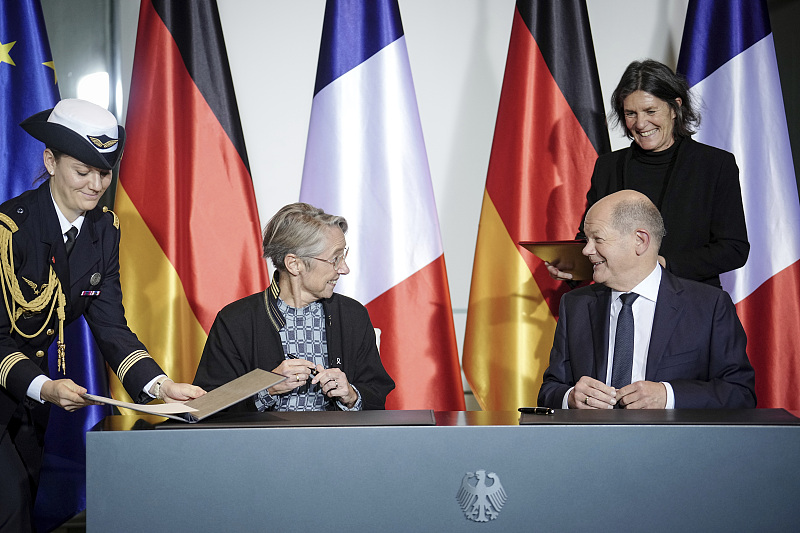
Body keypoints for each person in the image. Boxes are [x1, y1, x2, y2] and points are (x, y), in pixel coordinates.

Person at [0, 99, 205, 531]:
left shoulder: (103, 230)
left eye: (105, 172)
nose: (95, 184)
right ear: (50, 161)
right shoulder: (9, 231)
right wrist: (44, 386)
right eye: (83, 171)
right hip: (18, 383)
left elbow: (110, 322)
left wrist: (160, 384)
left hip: (31, 404)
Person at [538, 190, 756, 410]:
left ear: (640, 241)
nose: (586, 250)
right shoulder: (576, 305)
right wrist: (570, 397)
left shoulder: (708, 306)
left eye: (598, 239)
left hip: (672, 443)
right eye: (587, 239)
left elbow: (740, 393)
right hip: (594, 442)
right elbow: (550, 390)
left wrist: (668, 396)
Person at [548, 59, 748, 289]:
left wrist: (664, 264)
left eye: (650, 111)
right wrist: (574, 268)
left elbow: (734, 248)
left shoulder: (715, 164)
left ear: (675, 107)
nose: (641, 123)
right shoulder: (608, 166)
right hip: (619, 302)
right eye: (631, 113)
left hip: (689, 302)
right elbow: (590, 238)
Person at [193, 202, 394, 411]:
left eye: (343, 256)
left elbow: (377, 393)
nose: (344, 268)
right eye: (335, 259)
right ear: (294, 264)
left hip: (337, 442)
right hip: (261, 443)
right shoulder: (236, 321)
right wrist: (267, 390)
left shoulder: (353, 315)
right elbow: (208, 405)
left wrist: (352, 395)